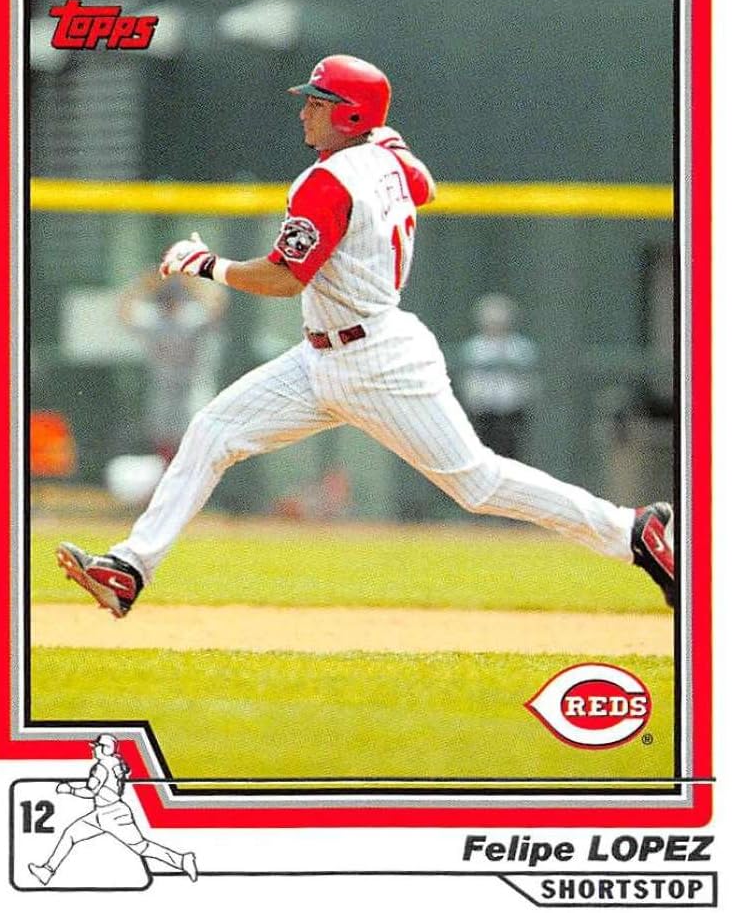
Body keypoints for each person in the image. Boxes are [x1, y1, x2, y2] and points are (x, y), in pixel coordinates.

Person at [55, 54, 675, 616]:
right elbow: (425, 186)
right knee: (213, 430)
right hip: (321, 357)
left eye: (318, 102)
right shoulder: (387, 160)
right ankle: (129, 568)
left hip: (376, 362)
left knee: (478, 483)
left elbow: (284, 278)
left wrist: (208, 265)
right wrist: (389, 142)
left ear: (349, 114)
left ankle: (629, 531)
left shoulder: (326, 182)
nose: (305, 111)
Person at [28, 734, 197, 886]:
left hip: (113, 815)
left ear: (105, 749)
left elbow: (90, 792)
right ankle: (47, 871)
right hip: (102, 814)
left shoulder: (101, 767)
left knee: (142, 848)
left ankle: (182, 860)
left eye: (97, 747)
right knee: (71, 834)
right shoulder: (117, 762)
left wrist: (69, 789)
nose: (94, 749)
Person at [117, 272, 226, 461]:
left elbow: (219, 304)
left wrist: (189, 281)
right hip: (164, 391)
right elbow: (123, 311)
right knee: (166, 449)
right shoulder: (155, 322)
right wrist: (149, 282)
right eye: (165, 300)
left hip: (193, 390)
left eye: (173, 299)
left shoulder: (191, 318)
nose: (169, 304)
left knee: (196, 446)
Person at [456, 293, 539, 461]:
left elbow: (529, 382)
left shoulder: (520, 349)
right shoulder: (475, 349)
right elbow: (470, 383)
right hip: (484, 414)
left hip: (513, 413)